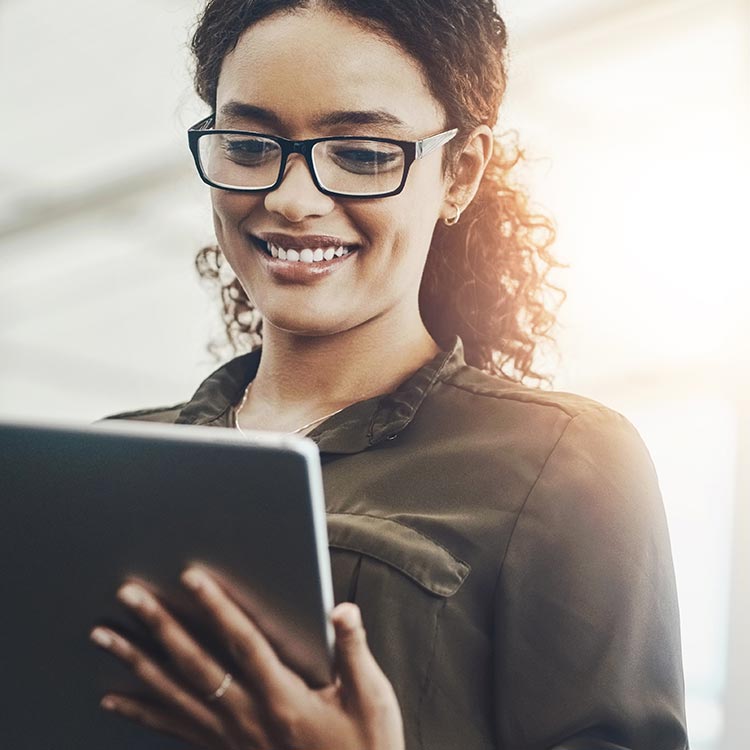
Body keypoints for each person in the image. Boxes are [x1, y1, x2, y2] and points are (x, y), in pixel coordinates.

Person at [92, 1, 689, 748]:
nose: (291, 199)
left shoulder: (560, 464)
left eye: (364, 154)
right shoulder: (103, 461)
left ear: (459, 173)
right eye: (248, 145)